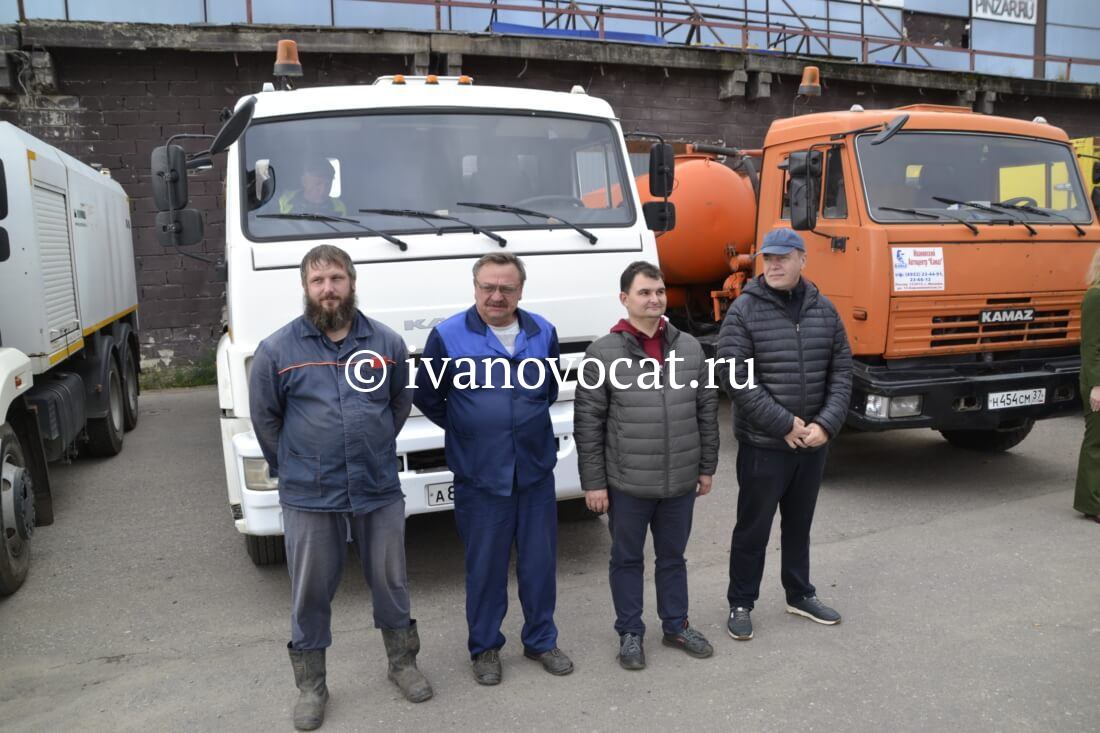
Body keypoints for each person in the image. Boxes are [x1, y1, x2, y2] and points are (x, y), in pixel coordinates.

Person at [249, 245, 431, 731]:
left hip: (377, 488)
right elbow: (266, 419)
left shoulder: (386, 343)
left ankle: (403, 663)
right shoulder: (277, 350)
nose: (328, 289)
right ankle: (312, 686)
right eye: (317, 281)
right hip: (310, 494)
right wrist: (297, 465)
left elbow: (397, 405)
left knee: (391, 581)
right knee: (310, 590)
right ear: (305, 289)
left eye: (336, 278)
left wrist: (368, 450)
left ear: (352, 282)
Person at [413, 252, 574, 685]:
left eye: (506, 288)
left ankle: (541, 639)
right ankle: (484, 647)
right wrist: (469, 429)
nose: (497, 296)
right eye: (488, 287)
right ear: (475, 288)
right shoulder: (447, 336)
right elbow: (427, 397)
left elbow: (548, 387)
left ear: (521, 291)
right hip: (480, 477)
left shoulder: (543, 332)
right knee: (484, 566)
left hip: (535, 472)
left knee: (539, 564)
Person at [574, 261, 719, 670]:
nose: (654, 298)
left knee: (673, 558)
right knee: (627, 559)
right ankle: (630, 633)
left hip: (679, 482)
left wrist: (706, 466)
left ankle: (676, 625)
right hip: (628, 484)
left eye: (658, 291)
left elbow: (706, 409)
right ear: (625, 299)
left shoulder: (689, 347)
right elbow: (588, 424)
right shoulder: (602, 352)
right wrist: (595, 484)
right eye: (644, 292)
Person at [717, 227, 852, 641]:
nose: (773, 265)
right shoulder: (744, 311)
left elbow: (842, 373)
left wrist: (825, 425)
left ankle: (799, 593)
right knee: (752, 528)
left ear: (801, 260)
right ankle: (741, 602)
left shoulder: (824, 311)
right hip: (765, 446)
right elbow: (733, 376)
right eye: (767, 259)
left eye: (782, 258)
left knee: (799, 524)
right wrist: (784, 424)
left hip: (812, 444)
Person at [1074, 247, 1100, 523]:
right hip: (1098, 379)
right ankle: (1091, 503)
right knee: (1096, 442)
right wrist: (1097, 385)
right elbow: (1091, 347)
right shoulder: (1095, 297)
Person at [279, 157, 348, 215]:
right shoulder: (283, 200)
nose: (323, 190)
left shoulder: (339, 207)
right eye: (318, 183)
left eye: (327, 184)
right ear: (304, 181)